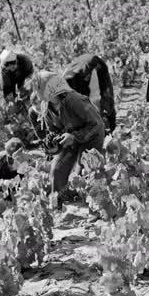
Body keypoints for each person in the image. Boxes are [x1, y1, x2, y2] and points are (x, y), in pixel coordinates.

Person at [29, 71, 105, 204]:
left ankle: (95, 205)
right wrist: (54, 147)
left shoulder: (74, 100)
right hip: (71, 140)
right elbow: (54, 132)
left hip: (91, 136)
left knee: (84, 171)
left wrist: (74, 137)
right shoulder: (46, 106)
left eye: (38, 87)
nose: (36, 91)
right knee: (57, 169)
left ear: (49, 88)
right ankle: (60, 201)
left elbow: (97, 124)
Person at [62, 53, 116, 133]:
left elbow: (93, 98)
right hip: (82, 68)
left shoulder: (85, 76)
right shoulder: (66, 87)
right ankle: (104, 126)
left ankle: (110, 127)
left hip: (93, 65)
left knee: (105, 96)